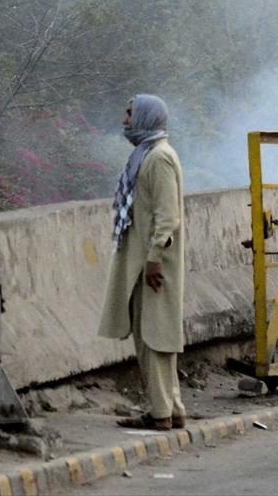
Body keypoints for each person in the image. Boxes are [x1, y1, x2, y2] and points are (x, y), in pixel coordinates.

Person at [99, 95, 187, 430]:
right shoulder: (148, 154)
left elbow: (167, 216)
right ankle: (172, 409)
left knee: (154, 338)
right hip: (143, 262)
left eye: (130, 113)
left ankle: (160, 412)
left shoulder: (158, 158)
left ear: (146, 118)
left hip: (153, 263)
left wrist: (154, 259)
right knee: (155, 334)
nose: (125, 120)